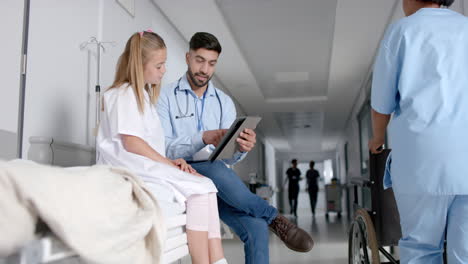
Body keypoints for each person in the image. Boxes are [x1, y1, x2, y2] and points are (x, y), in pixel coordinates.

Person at [158, 32, 313, 263]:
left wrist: (241, 148)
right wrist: (203, 137)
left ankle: (268, 220)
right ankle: (275, 218)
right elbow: (163, 148)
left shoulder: (224, 102)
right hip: (183, 171)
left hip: (217, 182)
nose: (205, 69)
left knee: (257, 228)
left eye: (212, 63)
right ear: (188, 57)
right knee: (217, 169)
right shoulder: (165, 97)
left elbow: (228, 159)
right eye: (199, 60)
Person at [96, 30, 228, 264]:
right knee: (202, 187)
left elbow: (146, 142)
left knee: (207, 187)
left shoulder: (143, 97)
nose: (163, 70)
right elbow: (132, 142)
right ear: (140, 65)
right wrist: (168, 164)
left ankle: (217, 260)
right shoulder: (124, 93)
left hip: (144, 164)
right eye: (159, 65)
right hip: (129, 167)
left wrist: (171, 162)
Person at [368, 0, 468, 263]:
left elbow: (381, 103)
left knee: (421, 248)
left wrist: (377, 139)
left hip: (424, 160)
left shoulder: (402, 31)